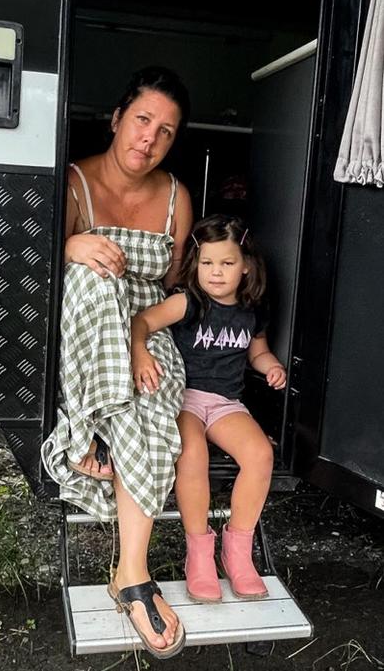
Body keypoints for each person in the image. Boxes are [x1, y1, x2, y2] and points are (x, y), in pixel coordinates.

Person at [41, 67, 193, 660]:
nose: (149, 139)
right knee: (91, 275)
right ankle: (90, 426)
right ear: (116, 119)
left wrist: (138, 336)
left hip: (146, 336)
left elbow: (185, 295)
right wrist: (68, 245)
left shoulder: (178, 199)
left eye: (166, 131)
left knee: (152, 415)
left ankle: (130, 571)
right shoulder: (74, 183)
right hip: (83, 340)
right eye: (142, 120)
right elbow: (39, 266)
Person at [130, 214, 287, 604]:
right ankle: (199, 553)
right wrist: (139, 354)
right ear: (195, 265)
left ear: (246, 265)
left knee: (260, 454)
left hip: (226, 402)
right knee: (193, 455)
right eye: (207, 263)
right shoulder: (189, 302)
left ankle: (237, 553)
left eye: (227, 263)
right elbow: (142, 322)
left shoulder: (252, 309)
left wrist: (272, 367)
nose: (216, 273)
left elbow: (258, 351)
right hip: (185, 398)